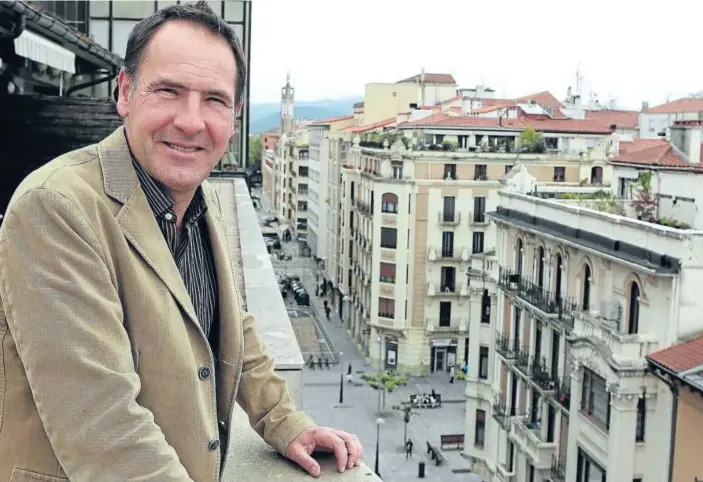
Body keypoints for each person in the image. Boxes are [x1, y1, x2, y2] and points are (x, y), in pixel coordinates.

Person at [0, 3, 361, 481]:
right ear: (125, 93)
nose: (191, 122)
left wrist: (284, 420)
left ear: (234, 117)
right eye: (168, 91)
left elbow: (229, 323)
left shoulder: (196, 197)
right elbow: (101, 425)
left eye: (214, 100)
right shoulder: (56, 207)